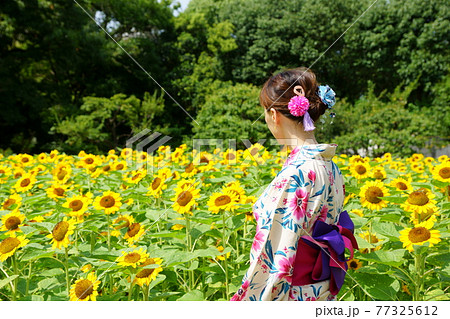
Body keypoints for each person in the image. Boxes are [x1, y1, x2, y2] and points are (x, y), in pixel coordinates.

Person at [231, 67, 358, 301]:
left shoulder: (296, 172)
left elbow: (275, 258)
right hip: (320, 292)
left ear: (273, 115)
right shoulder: (330, 165)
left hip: (291, 296)